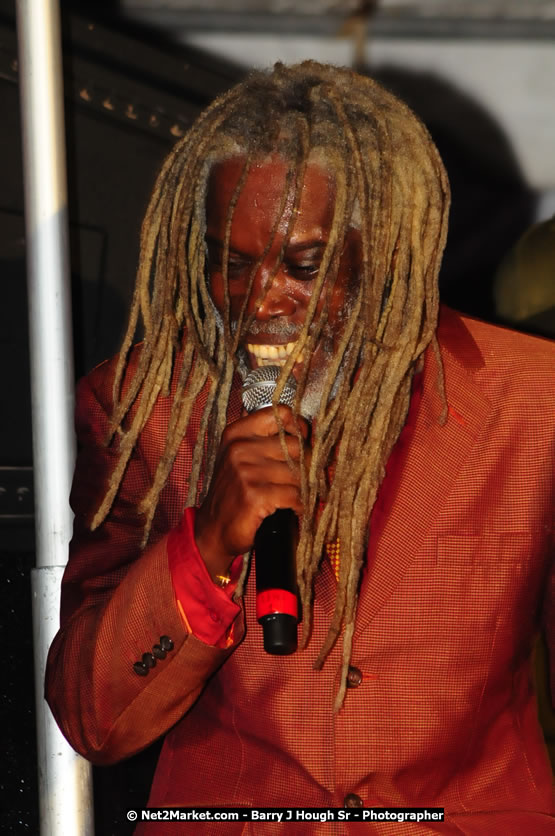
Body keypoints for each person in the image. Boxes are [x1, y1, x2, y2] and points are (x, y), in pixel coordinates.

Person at [45, 62, 555, 832]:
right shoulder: (142, 407)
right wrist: (206, 544)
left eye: (303, 265)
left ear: (385, 252)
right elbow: (94, 718)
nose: (259, 300)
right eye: (230, 261)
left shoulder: (532, 403)